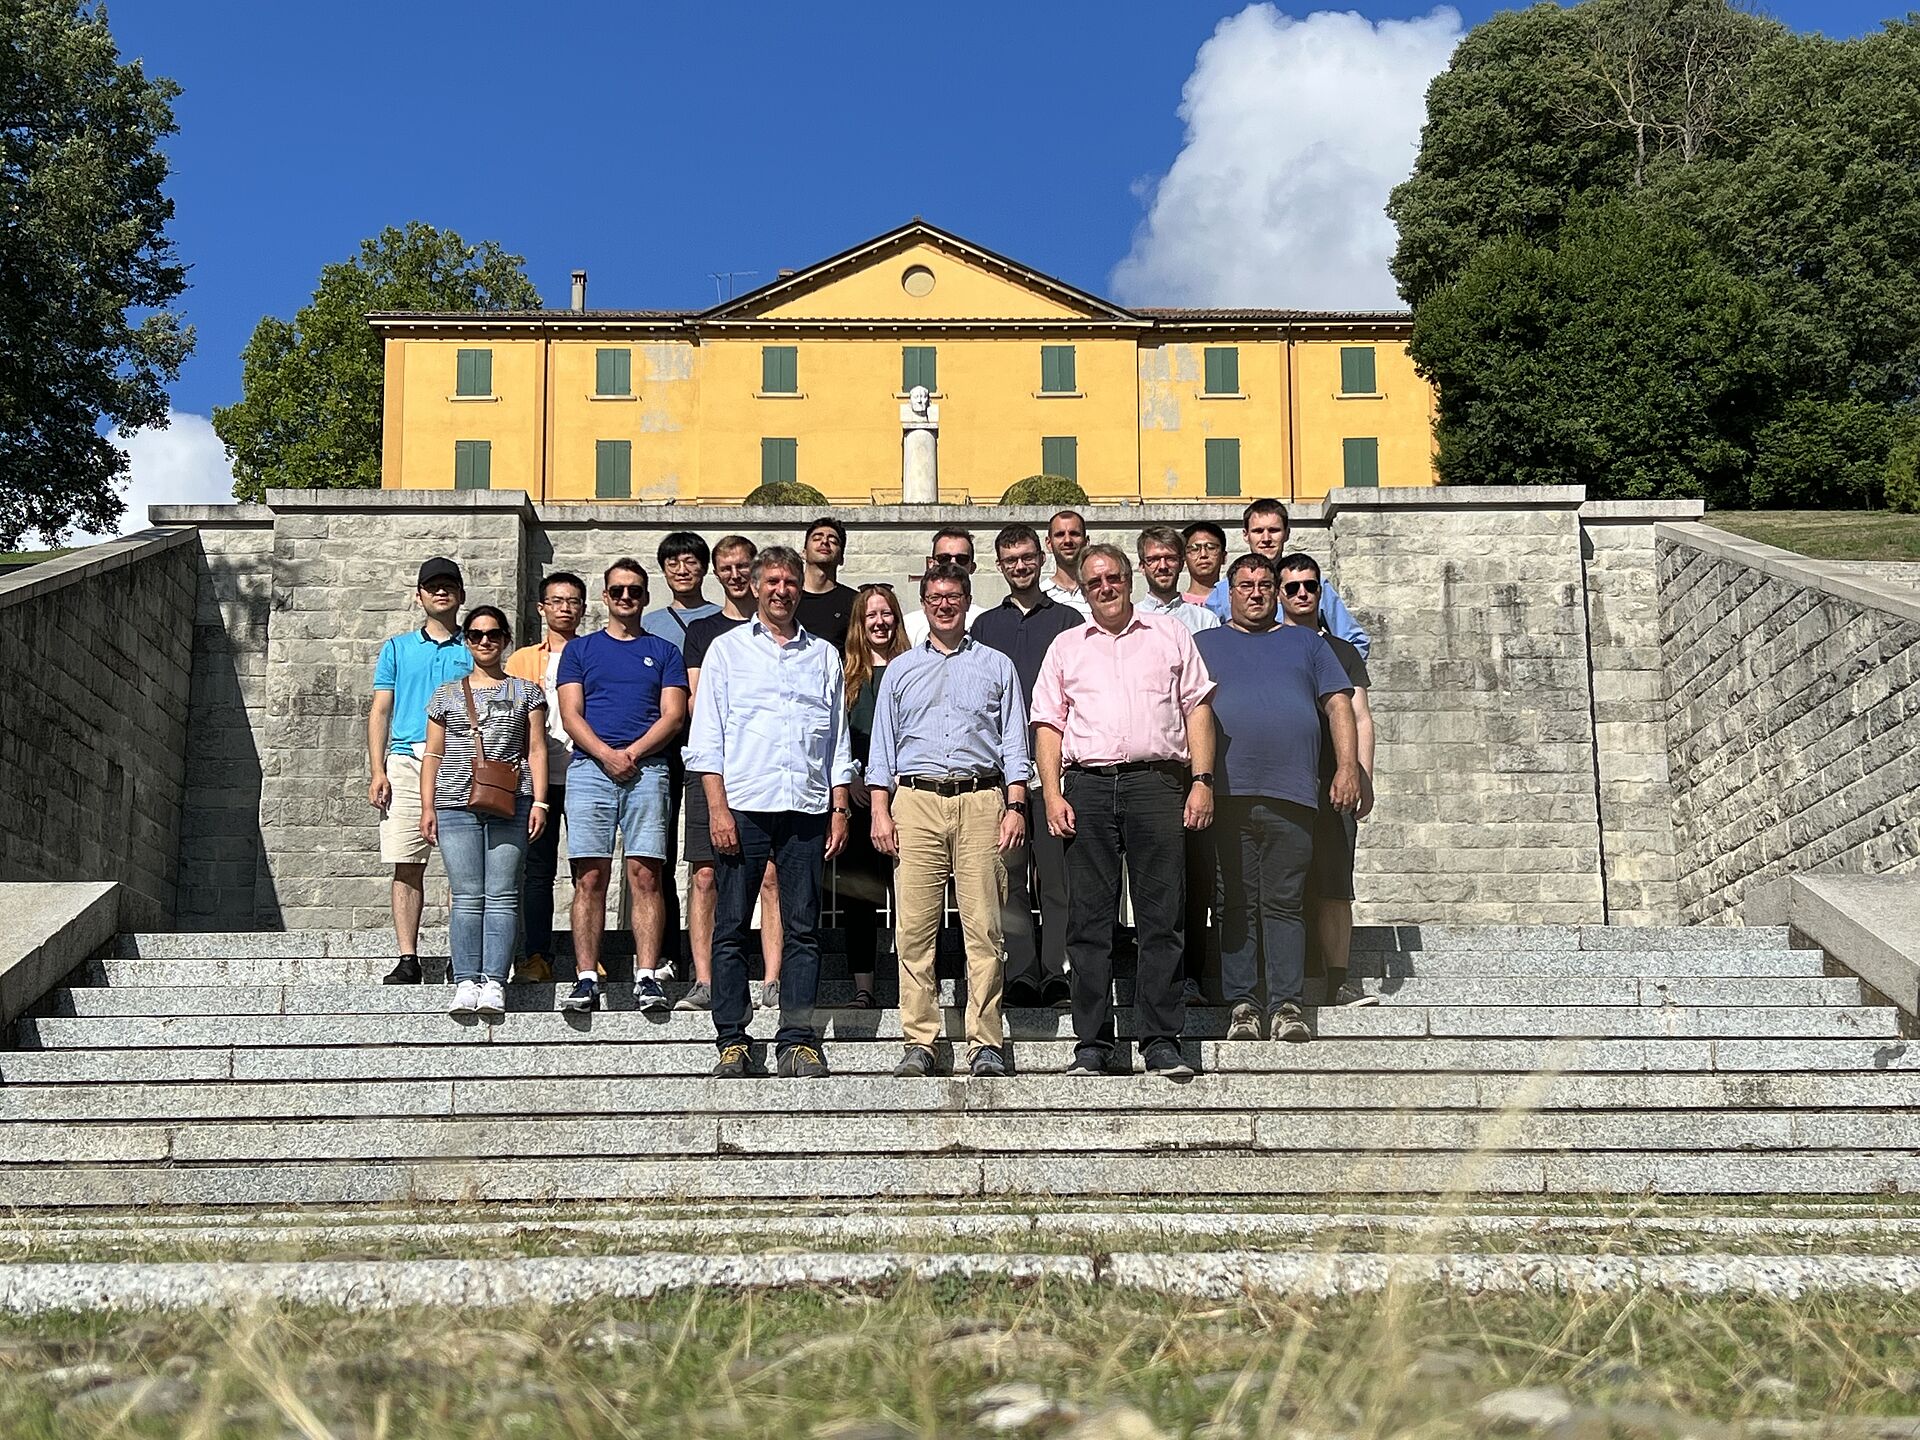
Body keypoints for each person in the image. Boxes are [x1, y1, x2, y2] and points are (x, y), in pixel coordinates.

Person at [1031, 543, 1217, 1079]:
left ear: (1129, 579)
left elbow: (1197, 707)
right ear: (1083, 591)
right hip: (1086, 789)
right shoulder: (1067, 646)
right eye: (1094, 583)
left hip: (1157, 785)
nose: (1105, 588)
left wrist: (1201, 781)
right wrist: (1051, 792)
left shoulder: (1169, 635)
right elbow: (1048, 723)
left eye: (1113, 577)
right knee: (1088, 922)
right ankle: (1093, 1045)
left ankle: (1160, 1041)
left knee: (1162, 917)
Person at [686, 545, 855, 1080]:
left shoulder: (823, 655)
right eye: (773, 581)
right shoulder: (726, 651)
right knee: (732, 927)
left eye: (791, 582)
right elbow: (706, 736)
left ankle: (798, 1039)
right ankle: (733, 1039)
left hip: (805, 806)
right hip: (744, 807)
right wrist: (717, 807)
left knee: (805, 928)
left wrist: (840, 805)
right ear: (756, 587)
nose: (782, 590)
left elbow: (835, 737)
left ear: (800, 588)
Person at [870, 562, 1030, 1079]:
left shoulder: (997, 666)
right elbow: (882, 748)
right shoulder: (899, 670)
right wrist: (879, 808)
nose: (944, 605)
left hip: (982, 801)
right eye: (935, 597)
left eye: (953, 597)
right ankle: (921, 1041)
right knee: (914, 931)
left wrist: (1016, 803)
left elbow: (1013, 742)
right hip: (915, 803)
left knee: (984, 928)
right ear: (925, 601)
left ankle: (985, 1041)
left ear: (965, 601)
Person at [1196, 555, 1361, 1043]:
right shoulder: (1203, 645)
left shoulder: (1307, 643)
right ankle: (1243, 1004)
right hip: (1226, 794)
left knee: (1286, 902)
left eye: (1264, 585)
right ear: (1230, 592)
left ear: (1274, 591)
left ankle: (1287, 1005)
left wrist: (1348, 768)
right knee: (1234, 903)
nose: (1256, 593)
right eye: (1245, 585)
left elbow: (1339, 705)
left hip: (1293, 794)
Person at [556, 559, 689, 1013]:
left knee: (646, 875)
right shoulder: (580, 650)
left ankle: (648, 975)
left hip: (647, 770)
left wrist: (631, 754)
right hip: (590, 770)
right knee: (589, 877)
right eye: (617, 591)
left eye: (634, 590)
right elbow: (571, 714)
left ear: (646, 597)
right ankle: (587, 976)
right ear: (606, 597)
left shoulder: (665, 651)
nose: (626, 597)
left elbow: (673, 715)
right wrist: (607, 754)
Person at [971, 524, 1081, 1009]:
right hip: (1000, 774)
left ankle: (1056, 972)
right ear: (1000, 566)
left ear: (1041, 558)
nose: (1020, 565)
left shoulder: (1068, 620)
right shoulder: (984, 628)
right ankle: (1019, 971)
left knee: (1057, 880)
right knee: (1009, 880)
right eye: (1010, 559)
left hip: (1056, 771)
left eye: (1027, 557)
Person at [420, 606, 548, 1019]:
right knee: (467, 895)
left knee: (503, 893)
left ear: (505, 639)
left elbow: (536, 750)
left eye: (493, 634)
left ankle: (495, 979)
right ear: (467, 640)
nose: (485, 641)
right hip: (455, 801)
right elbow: (434, 753)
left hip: (512, 799)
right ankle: (465, 980)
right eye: (476, 635)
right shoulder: (445, 694)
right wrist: (427, 806)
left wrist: (541, 801)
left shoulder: (527, 691)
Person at [678, 537, 785, 1012]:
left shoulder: (789, 635)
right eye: (727, 567)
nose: (736, 575)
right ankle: (705, 980)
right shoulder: (705, 632)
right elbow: (699, 704)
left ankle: (774, 978)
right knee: (705, 875)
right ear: (716, 574)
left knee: (771, 878)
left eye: (744, 566)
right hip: (715, 769)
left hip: (768, 772)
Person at [1279, 551, 1380, 1009]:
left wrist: (1362, 775)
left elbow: (1359, 715)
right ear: (1279, 594)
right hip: (1282, 783)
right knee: (1285, 884)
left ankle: (1340, 979)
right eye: (1293, 587)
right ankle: (1292, 981)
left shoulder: (1341, 651)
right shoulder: (1268, 645)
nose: (1302, 593)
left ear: (1321, 592)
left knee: (1335, 885)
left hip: (1333, 780)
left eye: (1310, 586)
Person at [369, 557, 474, 985]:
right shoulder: (396, 648)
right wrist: (378, 770)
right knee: (406, 863)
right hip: (406, 761)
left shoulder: (477, 645)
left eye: (449, 585)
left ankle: (460, 955)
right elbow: (380, 709)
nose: (441, 592)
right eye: (432, 586)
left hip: (459, 762)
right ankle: (408, 956)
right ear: (419, 595)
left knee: (462, 866)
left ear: (461, 595)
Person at [1137, 525, 1221, 1003]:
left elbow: (1206, 699)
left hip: (1191, 765)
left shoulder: (1204, 621)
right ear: (1143, 566)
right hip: (1148, 763)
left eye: (1171, 557)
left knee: (1191, 872)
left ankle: (1190, 973)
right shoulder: (1130, 618)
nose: (1164, 565)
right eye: (1154, 559)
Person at [642, 531, 723, 979]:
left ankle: (708, 955)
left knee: (705, 858)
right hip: (659, 750)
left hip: (706, 750)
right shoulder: (650, 623)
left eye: (691, 561)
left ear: (704, 568)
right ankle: (667, 951)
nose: (682, 569)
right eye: (673, 562)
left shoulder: (722, 619)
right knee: (659, 853)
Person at [505, 571, 589, 983]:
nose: (565, 608)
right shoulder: (521, 659)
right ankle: (536, 954)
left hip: (586, 771)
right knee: (537, 870)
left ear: (583, 608)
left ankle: (586, 956)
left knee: (588, 869)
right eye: (557, 601)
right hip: (535, 777)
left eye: (573, 601)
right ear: (542, 608)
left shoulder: (592, 652)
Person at [840, 584, 908, 1008]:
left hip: (909, 796)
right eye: (870, 616)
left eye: (886, 614)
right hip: (861, 799)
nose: (879, 622)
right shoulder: (845, 674)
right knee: (859, 897)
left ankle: (912, 984)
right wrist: (852, 781)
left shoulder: (913, 666)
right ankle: (864, 987)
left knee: (911, 895)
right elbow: (834, 736)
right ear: (859, 625)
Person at [1203, 499, 1370, 657]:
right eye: (1258, 531)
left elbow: (1354, 641)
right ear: (1246, 535)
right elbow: (1207, 649)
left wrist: (1327, 675)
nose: (1266, 539)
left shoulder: (1311, 585)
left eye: (1274, 530)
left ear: (1287, 533)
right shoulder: (1223, 592)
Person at [904, 527, 987, 643]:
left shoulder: (985, 622)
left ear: (972, 567)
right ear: (931, 564)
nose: (953, 564)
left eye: (961, 559)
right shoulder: (909, 625)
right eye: (944, 558)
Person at [796, 515, 858, 649]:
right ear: (804, 553)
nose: (824, 542)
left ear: (842, 558)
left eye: (833, 541)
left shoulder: (855, 602)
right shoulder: (788, 597)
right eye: (817, 538)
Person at [1040, 510, 1092, 616]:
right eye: (1060, 534)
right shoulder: (1040, 595)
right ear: (1049, 544)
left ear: (1086, 542)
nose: (1068, 540)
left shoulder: (1099, 590)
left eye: (1074, 534)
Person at [1181, 522, 1227, 604]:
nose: (1203, 554)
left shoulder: (1234, 602)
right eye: (1195, 549)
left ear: (1223, 557)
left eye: (1211, 548)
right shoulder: (1176, 605)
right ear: (1184, 558)